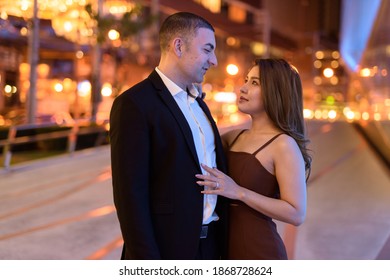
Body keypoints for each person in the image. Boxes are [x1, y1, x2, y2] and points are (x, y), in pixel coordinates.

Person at [109, 12, 228, 260]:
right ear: (178, 46)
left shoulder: (199, 104)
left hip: (211, 248)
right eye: (208, 49)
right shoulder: (134, 104)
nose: (214, 60)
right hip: (166, 251)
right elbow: (130, 197)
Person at [196, 58, 312, 259]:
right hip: (221, 248)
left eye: (255, 83)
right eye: (247, 80)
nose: (243, 88)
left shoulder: (284, 144)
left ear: (276, 92)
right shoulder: (234, 137)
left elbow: (296, 213)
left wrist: (239, 192)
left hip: (259, 251)